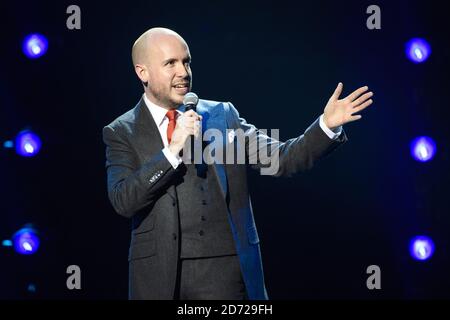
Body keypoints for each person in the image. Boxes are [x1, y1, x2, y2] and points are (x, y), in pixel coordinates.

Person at [102, 27, 373, 300]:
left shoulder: (222, 116)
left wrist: (326, 126)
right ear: (142, 72)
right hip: (160, 278)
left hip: (226, 274)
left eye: (186, 61)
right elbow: (124, 200)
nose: (183, 72)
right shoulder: (122, 131)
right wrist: (173, 150)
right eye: (170, 63)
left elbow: (281, 159)